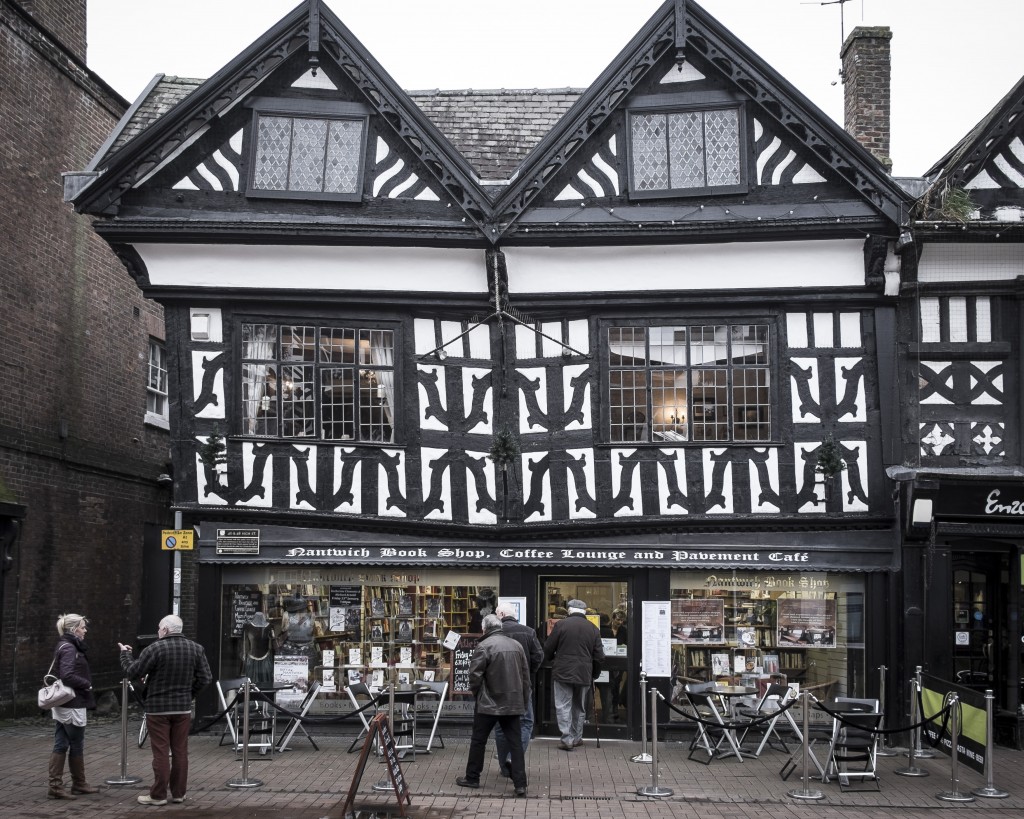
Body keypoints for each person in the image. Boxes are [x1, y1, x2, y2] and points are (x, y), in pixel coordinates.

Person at [118, 614, 212, 806]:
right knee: (180, 751)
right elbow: (205, 678)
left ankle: (158, 795)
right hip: (182, 708)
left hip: (157, 708)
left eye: (160, 628)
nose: (158, 631)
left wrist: (125, 654)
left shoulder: (154, 648)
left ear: (166, 630)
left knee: (160, 752)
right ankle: (178, 793)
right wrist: (190, 694)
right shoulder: (196, 649)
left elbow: (133, 672)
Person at [455, 614, 530, 797]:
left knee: (478, 740)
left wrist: (477, 695)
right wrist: (524, 700)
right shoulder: (516, 645)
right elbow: (525, 677)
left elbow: (474, 676)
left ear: (485, 628)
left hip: (488, 703)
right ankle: (520, 784)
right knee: (515, 743)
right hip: (512, 702)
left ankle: (472, 777)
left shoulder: (484, 646)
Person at [47, 613, 99, 799]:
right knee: (75, 743)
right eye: (83, 627)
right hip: (72, 703)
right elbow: (67, 675)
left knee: (61, 742)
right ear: (73, 629)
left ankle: (59, 786)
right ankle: (76, 784)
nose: (85, 630)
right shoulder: (70, 648)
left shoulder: (65, 645)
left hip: (65, 702)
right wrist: (86, 684)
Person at [542, 598, 604, 751]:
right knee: (579, 706)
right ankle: (577, 737)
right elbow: (599, 656)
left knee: (563, 705)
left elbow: (548, 647)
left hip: (563, 671)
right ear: (584, 611)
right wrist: (594, 674)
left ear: (569, 610)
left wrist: (549, 659)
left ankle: (567, 739)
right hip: (584, 673)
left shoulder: (561, 625)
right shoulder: (593, 628)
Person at [493, 604, 543, 777]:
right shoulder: (528, 632)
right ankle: (513, 759)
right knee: (526, 722)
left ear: (500, 614)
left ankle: (504, 766)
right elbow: (538, 656)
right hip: (522, 684)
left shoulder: (494, 633)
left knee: (500, 725)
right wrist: (528, 672)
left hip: (498, 685)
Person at [240, 611, 274, 691]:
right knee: (250, 683)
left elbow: (273, 643)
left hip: (265, 658)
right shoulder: (247, 626)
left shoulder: (270, 627)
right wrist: (243, 656)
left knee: (265, 684)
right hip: (252, 658)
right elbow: (243, 643)